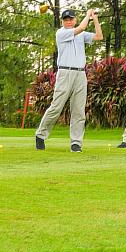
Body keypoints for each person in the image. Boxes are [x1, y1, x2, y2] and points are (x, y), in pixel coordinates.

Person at [34, 8, 103, 152]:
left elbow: (99, 36)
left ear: (75, 19)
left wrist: (95, 19)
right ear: (62, 22)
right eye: (66, 20)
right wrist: (88, 15)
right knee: (56, 107)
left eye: (71, 19)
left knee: (78, 110)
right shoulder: (61, 33)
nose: (69, 21)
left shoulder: (81, 34)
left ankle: (76, 143)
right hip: (65, 73)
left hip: (80, 74)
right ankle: (40, 135)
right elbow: (82, 27)